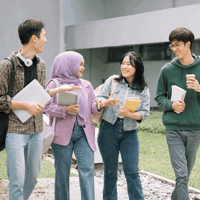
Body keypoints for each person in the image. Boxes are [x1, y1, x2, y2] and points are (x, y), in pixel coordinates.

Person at [0, 19, 81, 200]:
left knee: (32, 178)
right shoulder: (7, 65)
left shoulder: (41, 64)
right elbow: (0, 99)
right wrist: (24, 105)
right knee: (17, 180)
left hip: (37, 130)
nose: (46, 40)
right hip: (14, 130)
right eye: (44, 36)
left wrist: (57, 90)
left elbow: (39, 94)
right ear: (34, 38)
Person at [43, 51, 103, 200]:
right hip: (62, 135)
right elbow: (45, 105)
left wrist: (101, 105)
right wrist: (65, 110)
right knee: (62, 173)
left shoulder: (86, 85)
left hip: (84, 134)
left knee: (87, 171)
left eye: (83, 64)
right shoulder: (54, 84)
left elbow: (92, 108)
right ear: (69, 64)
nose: (83, 67)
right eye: (80, 64)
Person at [97, 51, 150, 200]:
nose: (124, 67)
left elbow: (145, 113)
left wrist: (129, 114)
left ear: (137, 67)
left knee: (132, 172)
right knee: (110, 172)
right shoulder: (112, 81)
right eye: (123, 63)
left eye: (129, 64)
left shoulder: (143, 89)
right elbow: (99, 98)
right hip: (108, 129)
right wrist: (107, 102)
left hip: (130, 133)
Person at [155, 27, 200, 200]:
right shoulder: (167, 70)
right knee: (181, 175)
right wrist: (172, 105)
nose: (174, 49)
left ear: (188, 44)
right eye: (171, 46)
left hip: (195, 128)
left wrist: (199, 89)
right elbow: (159, 97)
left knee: (184, 177)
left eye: (177, 45)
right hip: (173, 128)